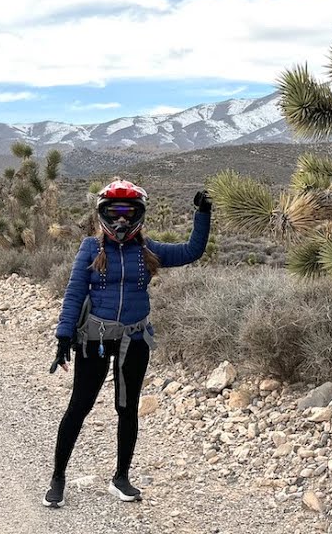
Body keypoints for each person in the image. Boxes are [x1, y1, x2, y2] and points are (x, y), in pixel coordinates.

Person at [42, 178, 212, 508]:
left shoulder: (149, 250)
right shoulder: (91, 249)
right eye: (114, 213)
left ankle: (121, 478)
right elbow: (75, 292)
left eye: (128, 213)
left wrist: (202, 214)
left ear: (139, 215)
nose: (121, 221)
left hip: (134, 340)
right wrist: (64, 337)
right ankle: (58, 477)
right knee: (79, 407)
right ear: (102, 215)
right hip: (96, 341)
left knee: (127, 409)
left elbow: (192, 251)